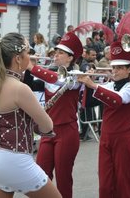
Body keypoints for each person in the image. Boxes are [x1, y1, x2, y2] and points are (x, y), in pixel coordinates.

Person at [0, 33, 61, 198]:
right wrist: (38, 124)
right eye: (27, 52)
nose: (31, 56)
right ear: (18, 59)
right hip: (14, 159)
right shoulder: (20, 88)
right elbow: (48, 126)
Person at [77, 41, 130, 198]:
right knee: (105, 184)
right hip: (106, 138)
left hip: (123, 138)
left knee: (123, 181)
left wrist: (93, 86)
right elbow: (87, 104)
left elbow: (118, 101)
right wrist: (86, 84)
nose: (115, 71)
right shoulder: (108, 86)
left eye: (120, 68)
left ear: (129, 69)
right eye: (114, 67)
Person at [23, 31, 83, 198]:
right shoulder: (49, 75)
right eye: (55, 52)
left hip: (67, 132)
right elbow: (30, 85)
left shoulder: (76, 76)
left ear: (70, 58)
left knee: (63, 179)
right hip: (48, 132)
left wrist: (32, 66)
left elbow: (56, 79)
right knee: (40, 177)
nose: (55, 55)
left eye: (60, 53)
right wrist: (29, 68)